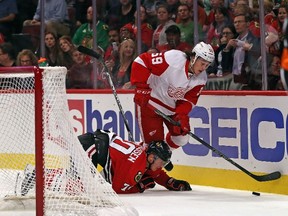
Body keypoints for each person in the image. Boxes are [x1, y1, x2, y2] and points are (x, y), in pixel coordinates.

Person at [130, 42, 215, 160]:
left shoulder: (201, 78)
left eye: (207, 65)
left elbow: (188, 100)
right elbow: (142, 61)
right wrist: (141, 88)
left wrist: (181, 116)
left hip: (170, 109)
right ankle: (148, 162)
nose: (203, 68)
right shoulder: (174, 59)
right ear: (193, 57)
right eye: (202, 63)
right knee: (153, 147)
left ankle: (163, 156)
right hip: (150, 104)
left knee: (181, 138)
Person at [78, 129, 191, 194]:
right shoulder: (136, 166)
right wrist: (140, 186)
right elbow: (117, 189)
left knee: (84, 184)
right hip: (90, 147)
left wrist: (170, 182)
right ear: (152, 158)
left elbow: (155, 173)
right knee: (79, 188)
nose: (161, 166)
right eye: (162, 162)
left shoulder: (145, 156)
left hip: (95, 144)